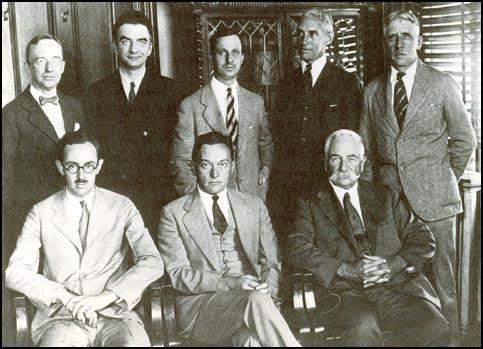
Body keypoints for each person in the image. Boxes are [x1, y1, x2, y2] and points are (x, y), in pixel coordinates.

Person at [359, 10, 477, 342]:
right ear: (385, 43)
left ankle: (453, 341)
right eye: (392, 37)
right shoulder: (372, 91)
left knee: (443, 284)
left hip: (436, 204)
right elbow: (364, 152)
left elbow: (465, 139)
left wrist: (441, 179)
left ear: (420, 42)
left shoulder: (441, 83)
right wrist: (375, 201)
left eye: (406, 36)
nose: (399, 43)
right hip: (389, 205)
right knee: (398, 284)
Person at [288, 129, 449, 346]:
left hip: (395, 287)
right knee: (363, 331)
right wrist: (348, 269)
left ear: (362, 164)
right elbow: (296, 246)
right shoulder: (309, 202)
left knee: (433, 324)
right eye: (336, 159)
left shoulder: (385, 195)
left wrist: (392, 265)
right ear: (326, 163)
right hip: (345, 293)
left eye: (351, 158)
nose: (344, 167)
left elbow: (423, 239)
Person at [5, 131, 164, 346]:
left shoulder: (122, 206)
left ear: (99, 166)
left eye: (88, 165)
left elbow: (152, 262)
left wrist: (104, 298)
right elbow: (15, 272)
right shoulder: (40, 212)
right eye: (72, 166)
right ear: (60, 167)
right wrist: (65, 297)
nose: (81, 174)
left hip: (115, 316)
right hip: (61, 319)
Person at [158, 132, 299, 346]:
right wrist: (230, 284)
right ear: (194, 167)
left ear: (232, 166)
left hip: (256, 305)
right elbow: (178, 275)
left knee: (250, 342)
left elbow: (271, 262)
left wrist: (266, 288)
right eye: (206, 165)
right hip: (202, 310)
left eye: (222, 164)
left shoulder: (254, 206)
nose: (215, 174)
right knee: (254, 300)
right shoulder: (173, 213)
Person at [2, 34, 85, 345]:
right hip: (35, 218)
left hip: (75, 211)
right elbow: (6, 180)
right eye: (40, 61)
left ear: (63, 66)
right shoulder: (10, 115)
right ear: (28, 67)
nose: (49, 68)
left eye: (55, 61)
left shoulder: (76, 107)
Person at [83, 10, 182, 236]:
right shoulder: (96, 93)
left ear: (150, 48)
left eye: (141, 42)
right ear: (114, 47)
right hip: (112, 198)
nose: (134, 49)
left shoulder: (172, 92)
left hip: (159, 199)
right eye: (126, 41)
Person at [272, 8, 363, 246]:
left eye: (313, 34)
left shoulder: (346, 83)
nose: (304, 40)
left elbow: (353, 139)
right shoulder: (286, 83)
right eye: (300, 34)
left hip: (327, 188)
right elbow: (278, 138)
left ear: (328, 38)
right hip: (289, 189)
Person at [172, 27, 273, 202]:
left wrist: (264, 176)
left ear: (242, 58)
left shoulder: (256, 102)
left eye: (235, 52)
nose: (229, 59)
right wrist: (198, 202)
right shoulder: (191, 106)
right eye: (222, 53)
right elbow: (180, 162)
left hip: (251, 200)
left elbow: (266, 146)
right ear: (212, 58)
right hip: (209, 203)